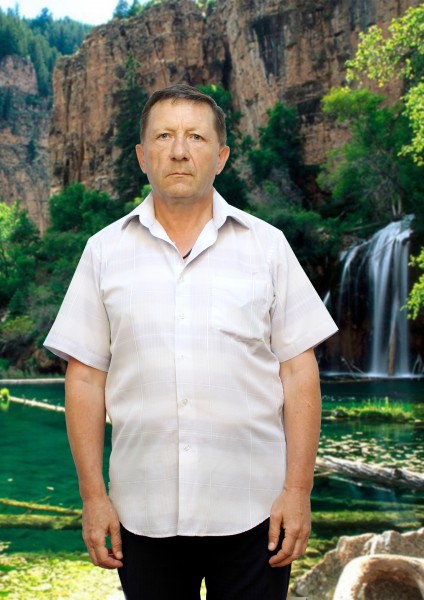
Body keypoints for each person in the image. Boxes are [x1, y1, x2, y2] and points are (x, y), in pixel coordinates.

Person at [44, 83, 338, 599]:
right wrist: (93, 497)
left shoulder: (267, 247)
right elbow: (85, 379)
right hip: (141, 513)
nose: (179, 150)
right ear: (142, 156)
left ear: (221, 156)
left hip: (256, 511)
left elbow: (298, 371)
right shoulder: (103, 252)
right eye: (164, 136)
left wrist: (298, 491)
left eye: (196, 137)